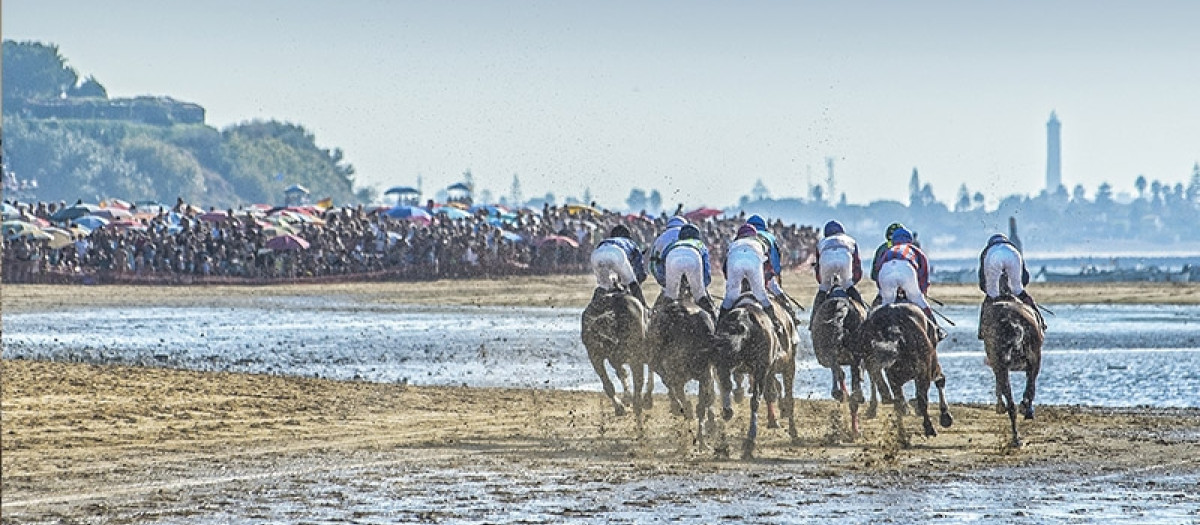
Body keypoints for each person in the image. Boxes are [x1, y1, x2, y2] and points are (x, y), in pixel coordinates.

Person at [875, 227, 945, 341]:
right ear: (910, 240)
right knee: (919, 300)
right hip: (906, 271)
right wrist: (921, 293)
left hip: (886, 273)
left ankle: (873, 333)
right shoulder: (915, 250)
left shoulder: (887, 251)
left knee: (885, 306)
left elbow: (878, 270)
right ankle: (936, 329)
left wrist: (884, 292)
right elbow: (924, 275)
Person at [719, 224, 786, 332]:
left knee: (730, 298)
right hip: (754, 261)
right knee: (761, 296)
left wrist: (734, 283)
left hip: (734, 261)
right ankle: (776, 325)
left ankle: (718, 327)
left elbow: (725, 270)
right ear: (754, 235)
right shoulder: (759, 243)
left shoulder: (733, 244)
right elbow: (768, 268)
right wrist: (766, 280)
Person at [978, 233, 1045, 335]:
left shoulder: (987, 251)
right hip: (1012, 255)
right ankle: (1040, 321)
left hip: (993, 258)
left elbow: (983, 281)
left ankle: (982, 331)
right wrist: (1019, 292)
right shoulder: (1013, 249)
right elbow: (1025, 277)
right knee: (1019, 291)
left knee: (991, 296)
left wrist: (991, 293)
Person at [810, 220, 865, 329]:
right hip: (845, 261)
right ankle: (865, 317)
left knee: (823, 289)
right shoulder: (851, 241)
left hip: (826, 262)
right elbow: (857, 266)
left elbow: (818, 270)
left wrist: (825, 284)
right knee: (848, 285)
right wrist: (851, 283)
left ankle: (812, 323)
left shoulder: (822, 243)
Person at [745, 214, 796, 319]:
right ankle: (791, 316)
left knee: (730, 299)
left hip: (741, 275)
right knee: (776, 291)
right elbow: (775, 263)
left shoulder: (741, 236)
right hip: (762, 271)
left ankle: (719, 323)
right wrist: (775, 273)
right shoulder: (770, 237)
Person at [660, 224, 716, 317]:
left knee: (670, 296)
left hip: (672, 256)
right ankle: (714, 322)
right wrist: (702, 288)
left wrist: (666, 284)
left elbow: (661, 265)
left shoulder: (672, 244)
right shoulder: (700, 244)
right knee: (699, 295)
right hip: (693, 256)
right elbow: (706, 271)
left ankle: (654, 325)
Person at [590, 224, 648, 307]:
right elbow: (639, 270)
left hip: (596, 254)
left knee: (603, 287)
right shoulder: (630, 243)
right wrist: (639, 278)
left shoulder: (607, 241)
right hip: (616, 253)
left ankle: (592, 310)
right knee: (632, 282)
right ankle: (645, 309)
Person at [647, 216, 688, 287]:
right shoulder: (690, 235)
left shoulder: (661, 238)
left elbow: (653, 262)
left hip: (669, 271)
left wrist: (661, 281)